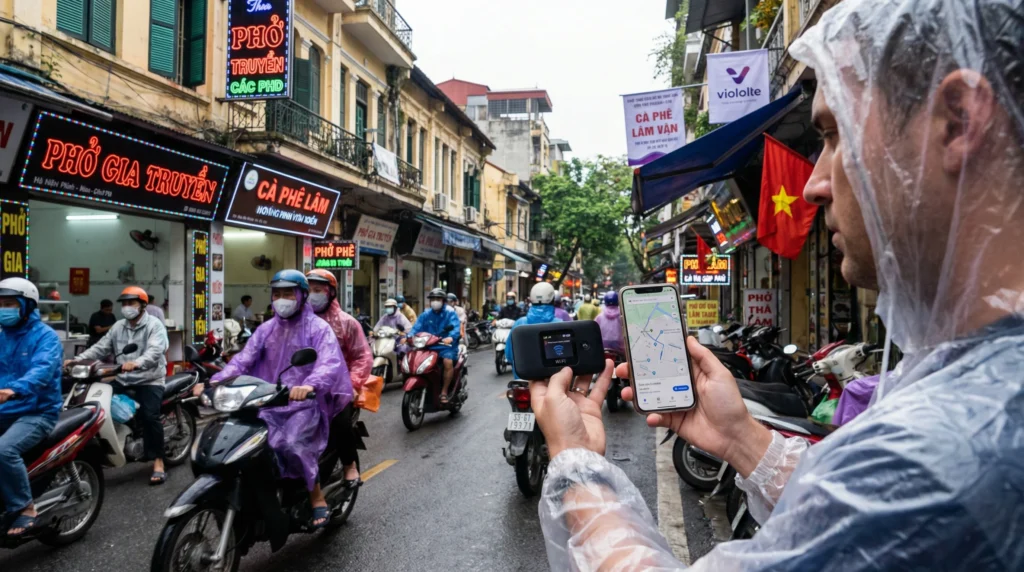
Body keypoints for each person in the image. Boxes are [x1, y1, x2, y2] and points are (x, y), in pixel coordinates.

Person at [532, 0, 1024, 569]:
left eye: (835, 135)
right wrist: (742, 439)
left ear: (957, 121)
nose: (814, 183)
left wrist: (577, 465)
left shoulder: (949, 449)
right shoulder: (978, 392)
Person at [195, 270, 351, 529]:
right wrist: (216, 381)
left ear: (301, 296)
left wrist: (308, 385)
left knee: (292, 443)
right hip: (265, 401)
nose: (281, 299)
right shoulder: (266, 330)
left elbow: (329, 363)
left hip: (303, 403)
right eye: (277, 294)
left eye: (288, 294)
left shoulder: (319, 328)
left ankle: (316, 495)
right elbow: (243, 360)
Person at [73, 286, 169, 484]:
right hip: (124, 378)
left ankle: (158, 461)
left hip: (150, 379)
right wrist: (77, 360)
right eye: (124, 303)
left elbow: (155, 351)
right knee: (97, 406)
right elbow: (101, 348)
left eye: (131, 303)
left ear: (142, 305)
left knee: (150, 416)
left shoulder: (154, 325)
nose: (126, 307)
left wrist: (137, 363)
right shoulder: (118, 326)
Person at [0, 278, 62, 538]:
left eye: (9, 304)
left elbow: (42, 371)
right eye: (1, 304)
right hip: (5, 410)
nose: (3, 309)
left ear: (26, 305)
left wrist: (13, 390)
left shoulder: (46, 337)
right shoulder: (2, 336)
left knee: (4, 451)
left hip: (37, 411)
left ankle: (25, 507)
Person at [306, 269, 372, 485]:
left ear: (331, 292)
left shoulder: (347, 323)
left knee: (340, 422)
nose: (312, 295)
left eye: (318, 290)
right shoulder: (297, 322)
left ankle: (349, 465)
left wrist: (352, 384)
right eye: (308, 290)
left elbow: (362, 357)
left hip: (337, 388)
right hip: (302, 388)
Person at [408, 289, 461, 404]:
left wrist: (451, 337)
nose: (435, 301)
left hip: (446, 346)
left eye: (438, 299)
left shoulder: (450, 313)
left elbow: (456, 328)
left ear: (443, 301)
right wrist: (408, 337)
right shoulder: (426, 314)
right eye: (433, 299)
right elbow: (416, 328)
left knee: (447, 362)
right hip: (428, 346)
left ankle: (444, 391)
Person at [505, 282, 562, 379]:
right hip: (553, 381)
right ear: (553, 300)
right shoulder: (560, 324)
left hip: (523, 379)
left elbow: (509, 355)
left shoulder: (519, 323)